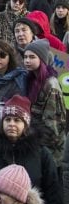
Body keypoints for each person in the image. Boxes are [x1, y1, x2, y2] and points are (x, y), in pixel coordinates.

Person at [23, 38, 66, 167]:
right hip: (36, 143)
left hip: (49, 150)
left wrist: (37, 146)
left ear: (42, 59)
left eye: (32, 57)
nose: (27, 61)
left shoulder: (51, 85)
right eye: (25, 57)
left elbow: (53, 126)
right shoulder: (31, 80)